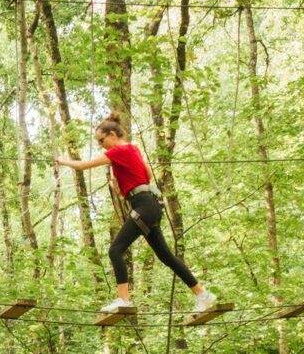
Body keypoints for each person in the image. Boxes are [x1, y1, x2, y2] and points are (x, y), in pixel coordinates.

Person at [56, 112, 218, 314]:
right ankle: (203, 295)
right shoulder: (133, 149)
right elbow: (147, 175)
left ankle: (124, 300)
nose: (101, 145)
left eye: (101, 140)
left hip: (143, 205)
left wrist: (62, 161)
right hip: (150, 204)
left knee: (115, 250)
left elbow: (83, 166)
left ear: (112, 134)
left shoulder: (117, 152)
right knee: (166, 256)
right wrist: (122, 182)